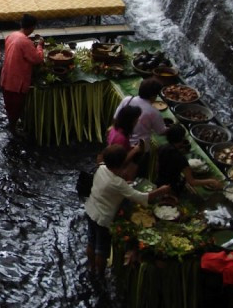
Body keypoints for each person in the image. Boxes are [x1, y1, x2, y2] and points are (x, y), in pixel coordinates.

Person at [84, 146, 172, 275]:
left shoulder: (101, 168)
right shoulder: (118, 183)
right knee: (101, 250)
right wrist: (161, 191)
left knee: (91, 242)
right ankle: (100, 274)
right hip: (103, 219)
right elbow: (140, 197)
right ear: (120, 163)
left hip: (91, 209)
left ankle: (92, 268)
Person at [0, 14, 44, 133]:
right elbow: (37, 59)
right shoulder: (25, 41)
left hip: (6, 77)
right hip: (17, 81)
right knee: (15, 108)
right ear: (32, 27)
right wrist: (39, 46)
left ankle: (11, 124)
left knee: (9, 105)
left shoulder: (11, 36)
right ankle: (13, 129)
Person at [156, 124, 223, 195]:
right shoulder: (181, 159)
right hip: (171, 188)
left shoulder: (162, 148)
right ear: (182, 139)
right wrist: (211, 181)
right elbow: (192, 182)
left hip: (159, 182)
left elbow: (157, 168)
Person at [113, 78, 167, 145]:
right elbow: (161, 132)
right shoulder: (154, 112)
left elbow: (115, 118)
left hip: (118, 140)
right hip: (138, 147)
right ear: (153, 96)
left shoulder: (127, 100)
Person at [105, 102, 144, 167]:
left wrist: (131, 148)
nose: (138, 120)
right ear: (130, 121)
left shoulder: (115, 128)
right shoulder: (121, 138)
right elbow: (120, 162)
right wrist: (135, 150)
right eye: (137, 118)